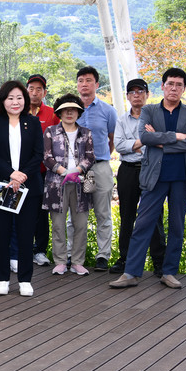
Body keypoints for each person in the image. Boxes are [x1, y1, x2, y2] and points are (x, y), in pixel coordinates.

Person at [110, 68, 186, 290]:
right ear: (162, 86)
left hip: (181, 177)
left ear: (184, 88)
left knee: (177, 227)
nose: (174, 88)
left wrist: (159, 141)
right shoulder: (149, 110)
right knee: (143, 224)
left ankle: (168, 272)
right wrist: (175, 137)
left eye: (179, 85)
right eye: (170, 83)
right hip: (154, 176)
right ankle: (131, 272)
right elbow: (145, 137)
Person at [0, 80, 44, 297]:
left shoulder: (33, 122)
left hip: (28, 187)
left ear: (25, 100)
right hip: (2, 185)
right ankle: (2, 279)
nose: (15, 102)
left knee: (26, 234)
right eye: (10, 98)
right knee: (1, 233)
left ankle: (25, 280)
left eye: (19, 98)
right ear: (3, 100)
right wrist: (11, 174)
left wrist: (21, 175)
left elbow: (38, 154)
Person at [110, 78, 166, 276]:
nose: (136, 95)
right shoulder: (121, 120)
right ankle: (125, 258)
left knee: (155, 215)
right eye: (132, 92)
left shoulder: (157, 118)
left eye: (140, 91)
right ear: (127, 96)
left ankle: (159, 262)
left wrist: (134, 144)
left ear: (147, 94)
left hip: (151, 169)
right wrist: (145, 139)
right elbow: (119, 146)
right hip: (128, 169)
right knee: (127, 215)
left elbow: (162, 141)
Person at [42, 94, 95, 276]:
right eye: (66, 110)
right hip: (56, 184)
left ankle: (78, 262)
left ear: (79, 112)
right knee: (58, 224)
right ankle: (60, 261)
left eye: (73, 109)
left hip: (80, 184)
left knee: (81, 224)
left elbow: (90, 157)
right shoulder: (50, 131)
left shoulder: (86, 133)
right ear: (59, 112)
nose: (70, 113)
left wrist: (77, 170)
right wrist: (64, 172)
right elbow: (46, 157)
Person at [75, 66, 117, 271]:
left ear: (97, 84)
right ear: (77, 84)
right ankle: (74, 256)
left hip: (99, 167)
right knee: (76, 214)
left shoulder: (108, 111)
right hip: (76, 170)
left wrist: (98, 157)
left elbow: (112, 139)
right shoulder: (70, 109)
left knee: (103, 214)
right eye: (81, 80)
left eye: (89, 80)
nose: (84, 84)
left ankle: (103, 256)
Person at [26, 74, 60, 267]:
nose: (35, 92)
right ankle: (21, 249)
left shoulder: (52, 114)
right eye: (31, 88)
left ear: (45, 92)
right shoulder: (19, 110)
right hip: (21, 172)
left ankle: (39, 250)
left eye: (39, 89)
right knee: (20, 210)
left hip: (43, 172)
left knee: (41, 212)